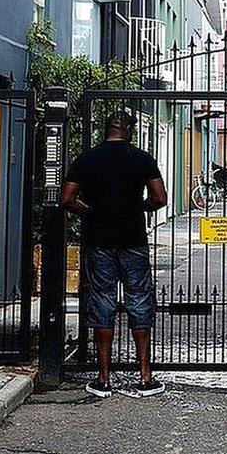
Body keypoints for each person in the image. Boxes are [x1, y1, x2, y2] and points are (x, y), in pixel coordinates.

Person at [60, 111, 167, 398]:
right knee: (140, 302)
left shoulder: (87, 159)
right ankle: (145, 377)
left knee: (102, 304)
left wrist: (90, 211)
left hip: (99, 241)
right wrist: (136, 208)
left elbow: (66, 198)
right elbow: (159, 198)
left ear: (107, 129)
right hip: (133, 239)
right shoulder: (141, 158)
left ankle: (103, 378)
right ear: (129, 130)